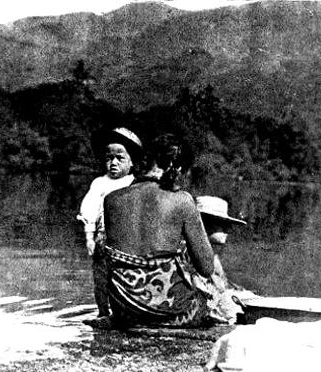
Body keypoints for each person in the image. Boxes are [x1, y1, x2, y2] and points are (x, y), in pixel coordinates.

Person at [96, 134, 217, 329]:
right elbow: (206, 267)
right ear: (176, 167)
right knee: (205, 300)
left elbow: (105, 260)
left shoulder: (111, 200)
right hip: (169, 313)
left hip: (125, 311)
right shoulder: (182, 200)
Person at [77, 127, 141, 317]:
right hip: (103, 238)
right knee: (101, 277)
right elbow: (89, 212)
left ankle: (124, 310)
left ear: (131, 162)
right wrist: (90, 238)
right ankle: (102, 312)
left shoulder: (135, 183)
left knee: (124, 276)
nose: (113, 163)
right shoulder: (99, 183)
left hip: (127, 240)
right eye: (108, 158)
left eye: (120, 158)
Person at [194, 196, 254, 324]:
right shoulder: (193, 254)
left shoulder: (212, 255)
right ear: (203, 224)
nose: (228, 229)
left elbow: (221, 286)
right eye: (222, 224)